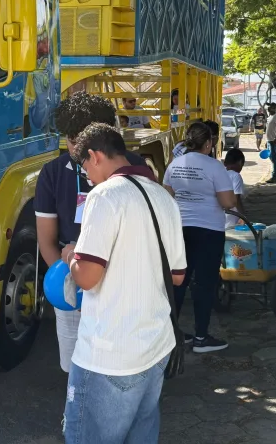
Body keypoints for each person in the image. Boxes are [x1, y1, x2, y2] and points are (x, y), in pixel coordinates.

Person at [65, 123, 186, 444]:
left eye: (84, 167)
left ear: (95, 155)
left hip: (110, 354)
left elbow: (88, 277)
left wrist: (72, 256)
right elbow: (177, 276)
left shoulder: (104, 195)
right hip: (156, 345)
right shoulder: (162, 196)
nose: (87, 176)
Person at [34, 92, 154, 374]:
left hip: (125, 285)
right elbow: (47, 239)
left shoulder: (135, 166)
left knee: (122, 367)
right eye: (70, 140)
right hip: (73, 282)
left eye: (80, 141)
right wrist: (71, 283)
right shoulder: (52, 173)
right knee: (76, 366)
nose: (73, 148)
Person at [163, 122, 237, 352]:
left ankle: (172, 334)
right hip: (209, 230)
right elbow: (227, 202)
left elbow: (166, 197)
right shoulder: (215, 167)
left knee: (178, 281)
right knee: (204, 284)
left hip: (180, 229)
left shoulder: (174, 164)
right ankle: (201, 338)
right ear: (208, 143)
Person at [224, 148, 246, 229]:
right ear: (240, 162)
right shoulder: (235, 176)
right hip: (230, 218)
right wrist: (243, 216)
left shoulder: (219, 173)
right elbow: (236, 200)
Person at [265, 103, 276, 183]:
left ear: (274, 108)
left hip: (274, 140)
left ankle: (275, 176)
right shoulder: (270, 117)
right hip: (269, 140)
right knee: (271, 157)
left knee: (274, 158)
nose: (268, 109)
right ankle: (274, 174)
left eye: (270, 107)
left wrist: (275, 138)